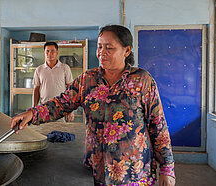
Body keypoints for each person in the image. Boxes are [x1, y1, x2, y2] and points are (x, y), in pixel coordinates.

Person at [11, 25, 176, 186]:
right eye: (99, 47)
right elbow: (61, 104)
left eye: (109, 48)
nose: (101, 53)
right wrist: (32, 114)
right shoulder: (87, 80)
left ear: (126, 50)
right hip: (98, 170)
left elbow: (158, 126)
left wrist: (166, 168)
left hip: (134, 172)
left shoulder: (142, 80)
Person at [32, 41, 74, 122]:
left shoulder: (64, 68)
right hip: (44, 108)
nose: (49, 53)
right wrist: (34, 107)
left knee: (60, 133)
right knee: (43, 133)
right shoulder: (39, 69)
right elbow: (36, 89)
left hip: (60, 108)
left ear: (57, 52)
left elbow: (70, 89)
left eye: (52, 51)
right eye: (47, 51)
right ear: (44, 52)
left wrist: (70, 109)